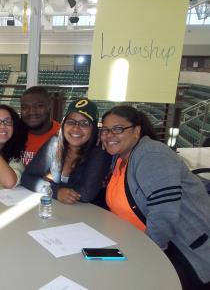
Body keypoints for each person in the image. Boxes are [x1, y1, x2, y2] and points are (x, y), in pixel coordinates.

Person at [100, 105, 210, 289]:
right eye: (105, 130)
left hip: (183, 252)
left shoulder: (151, 155)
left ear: (136, 131)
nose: (109, 135)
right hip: (140, 243)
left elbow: (164, 216)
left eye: (118, 129)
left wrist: (146, 255)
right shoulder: (119, 158)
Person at [21, 98, 111, 204]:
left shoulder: (99, 152)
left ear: (94, 129)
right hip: (59, 209)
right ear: (63, 125)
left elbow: (86, 194)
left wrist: (46, 183)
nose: (76, 128)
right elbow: (27, 177)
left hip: (90, 214)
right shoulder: (55, 144)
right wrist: (56, 191)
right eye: (71, 122)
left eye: (84, 123)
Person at [20, 86, 60, 166]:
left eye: (39, 106)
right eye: (25, 107)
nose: (31, 112)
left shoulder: (63, 135)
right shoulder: (13, 133)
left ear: (49, 106)